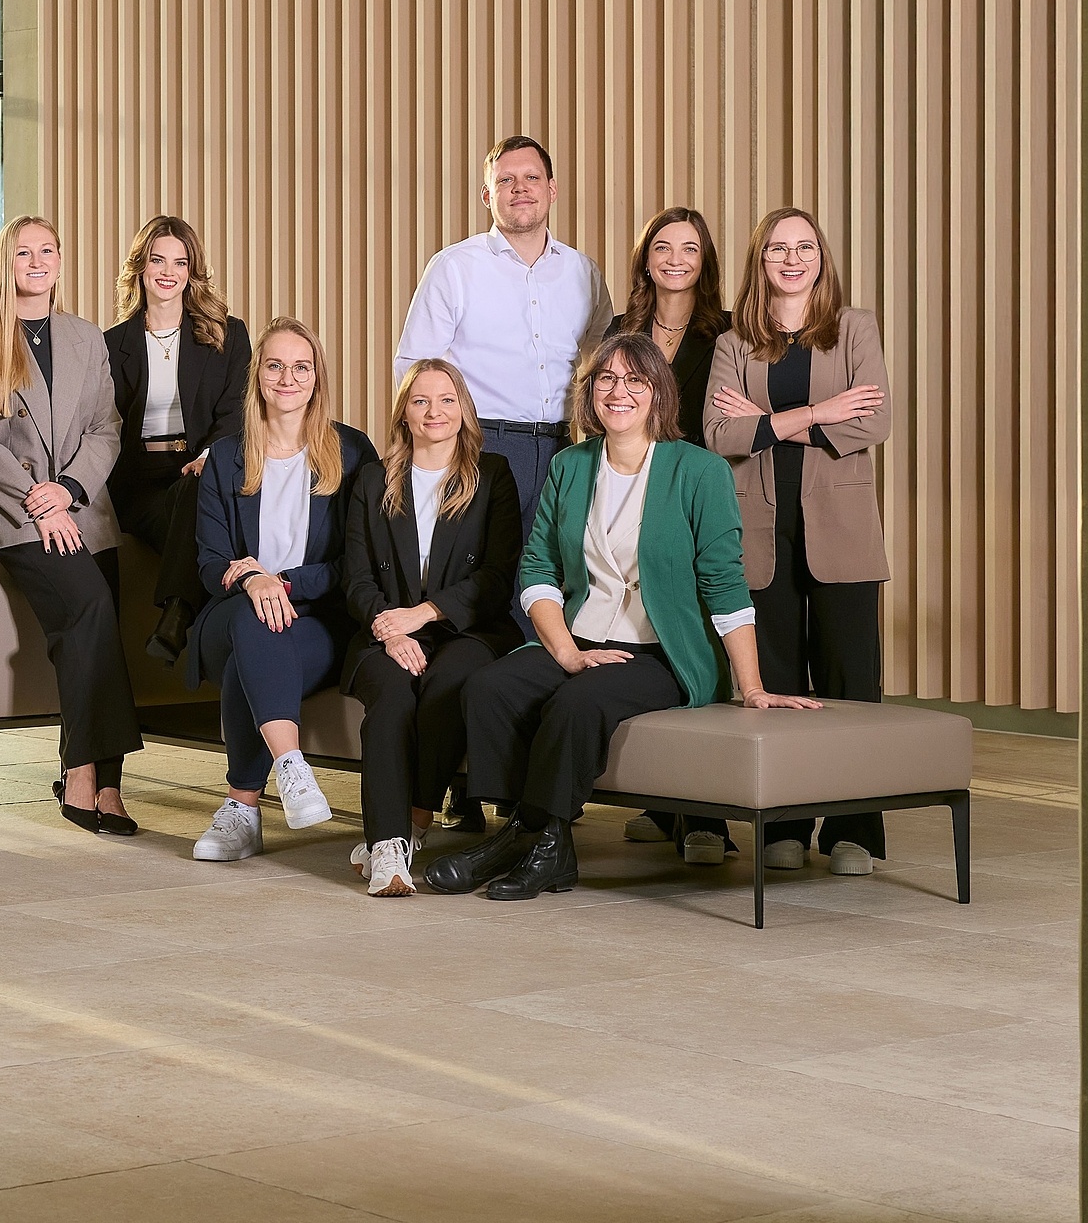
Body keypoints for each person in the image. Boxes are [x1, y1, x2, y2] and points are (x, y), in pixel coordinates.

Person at [425, 332, 818, 902]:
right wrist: (565, 651)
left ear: (658, 392)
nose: (619, 391)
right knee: (492, 685)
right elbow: (537, 568)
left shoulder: (698, 470)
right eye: (606, 379)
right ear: (590, 394)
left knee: (577, 702)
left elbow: (725, 583)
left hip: (663, 652)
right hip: (580, 638)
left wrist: (751, 686)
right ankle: (538, 838)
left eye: (635, 379)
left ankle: (526, 843)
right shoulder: (570, 465)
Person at [705, 208, 892, 876]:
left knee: (850, 684)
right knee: (777, 680)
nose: (791, 258)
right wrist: (816, 413)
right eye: (778, 248)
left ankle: (855, 830)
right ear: (760, 261)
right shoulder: (734, 342)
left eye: (804, 247)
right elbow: (720, 436)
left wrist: (768, 422)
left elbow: (873, 422)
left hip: (840, 529)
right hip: (760, 531)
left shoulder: (854, 329)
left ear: (822, 257)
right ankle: (783, 826)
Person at [0, 217, 142, 836]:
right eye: (24, 252)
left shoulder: (85, 337)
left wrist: (68, 491)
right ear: (5, 262)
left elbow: (106, 428)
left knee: (100, 627)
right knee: (88, 606)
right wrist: (39, 500)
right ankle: (84, 776)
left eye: (47, 251)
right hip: (14, 513)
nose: (37, 261)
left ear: (61, 262)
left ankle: (106, 780)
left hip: (85, 511)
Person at [187, 317, 376, 864]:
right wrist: (252, 579)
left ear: (317, 376)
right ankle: (291, 767)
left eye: (301, 366)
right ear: (258, 376)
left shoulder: (351, 451)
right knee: (252, 618)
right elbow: (209, 562)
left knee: (261, 635)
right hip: (232, 613)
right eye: (275, 365)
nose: (288, 377)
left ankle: (242, 808)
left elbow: (356, 563)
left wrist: (284, 582)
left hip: (318, 619)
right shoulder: (226, 457)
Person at [338, 359, 522, 895]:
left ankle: (412, 821)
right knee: (393, 697)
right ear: (404, 413)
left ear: (463, 409)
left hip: (466, 630)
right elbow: (354, 577)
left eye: (447, 399)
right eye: (420, 400)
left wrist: (424, 615)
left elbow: (496, 576)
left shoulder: (493, 475)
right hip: (383, 629)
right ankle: (389, 857)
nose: (434, 411)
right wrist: (392, 631)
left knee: (449, 682)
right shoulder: (372, 479)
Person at [394, 136, 611, 549]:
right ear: (487, 194)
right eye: (506, 180)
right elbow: (414, 368)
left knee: (549, 577)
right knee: (477, 582)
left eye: (531, 177)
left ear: (552, 189)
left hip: (563, 451)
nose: (520, 188)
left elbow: (601, 361)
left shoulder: (583, 272)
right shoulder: (454, 267)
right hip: (480, 447)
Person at [606, 207, 735, 863]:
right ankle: (661, 806)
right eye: (663, 247)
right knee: (644, 639)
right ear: (646, 259)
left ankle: (709, 817)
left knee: (701, 648)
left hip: (692, 497)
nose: (676, 259)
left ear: (705, 260)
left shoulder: (729, 333)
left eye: (690, 248)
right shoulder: (622, 330)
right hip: (629, 500)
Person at [102, 215, 250, 664]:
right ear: (141, 267)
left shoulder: (227, 334)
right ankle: (185, 612)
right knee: (204, 527)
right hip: (141, 479)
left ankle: (176, 612)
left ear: (191, 271)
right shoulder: (110, 344)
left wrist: (209, 456)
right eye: (158, 260)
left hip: (203, 468)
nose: (168, 272)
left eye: (180, 262)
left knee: (195, 489)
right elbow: (104, 422)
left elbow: (237, 410)